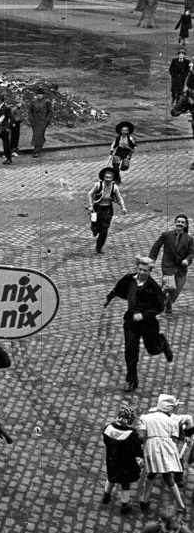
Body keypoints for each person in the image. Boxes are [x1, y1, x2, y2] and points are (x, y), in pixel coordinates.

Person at [103, 256, 173, 393]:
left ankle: (162, 343)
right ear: (137, 268)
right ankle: (131, 380)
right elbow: (117, 289)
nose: (141, 272)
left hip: (148, 324)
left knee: (152, 349)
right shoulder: (129, 279)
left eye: (145, 270)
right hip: (131, 323)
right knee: (130, 351)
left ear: (150, 271)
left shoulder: (153, 287)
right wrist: (108, 299)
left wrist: (144, 315)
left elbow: (160, 307)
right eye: (140, 269)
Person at [137, 394, 193, 513]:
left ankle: (144, 500)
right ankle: (181, 505)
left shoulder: (146, 417)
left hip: (150, 447)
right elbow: (174, 439)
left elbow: (141, 436)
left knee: (151, 473)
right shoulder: (172, 420)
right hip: (165, 448)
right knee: (168, 477)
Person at [101, 404, 143, 515]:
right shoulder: (131, 434)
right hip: (126, 462)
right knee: (125, 482)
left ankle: (106, 496)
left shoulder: (108, 428)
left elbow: (106, 442)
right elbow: (136, 449)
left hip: (112, 459)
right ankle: (125, 505)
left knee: (111, 477)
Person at [148, 214, 193, 314]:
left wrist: (187, 260)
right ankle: (161, 298)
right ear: (175, 223)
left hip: (181, 269)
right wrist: (151, 260)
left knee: (176, 291)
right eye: (178, 222)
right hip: (168, 266)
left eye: (182, 222)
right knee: (170, 287)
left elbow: (191, 253)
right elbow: (156, 247)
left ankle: (168, 303)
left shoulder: (189, 239)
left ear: (185, 225)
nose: (180, 224)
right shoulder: (166, 235)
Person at [87, 165, 127, 254]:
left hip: (108, 209)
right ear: (103, 177)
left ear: (113, 178)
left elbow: (119, 198)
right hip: (96, 208)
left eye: (110, 177)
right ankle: (94, 229)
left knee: (104, 228)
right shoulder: (98, 185)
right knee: (95, 225)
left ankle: (99, 247)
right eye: (106, 177)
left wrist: (123, 207)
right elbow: (90, 194)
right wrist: (90, 205)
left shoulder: (114, 187)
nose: (108, 179)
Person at [28, 87, 52, 158]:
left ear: (43, 95)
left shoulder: (47, 102)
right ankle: (41, 143)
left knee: (39, 134)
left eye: (41, 94)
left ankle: (36, 151)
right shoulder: (33, 101)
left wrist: (47, 120)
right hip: (35, 121)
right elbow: (30, 111)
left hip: (43, 121)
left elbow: (50, 112)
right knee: (36, 134)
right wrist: (31, 118)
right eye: (38, 94)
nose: (39, 96)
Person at [0, 95, 15, 164]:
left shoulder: (6, 108)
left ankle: (8, 158)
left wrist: (8, 127)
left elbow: (13, 119)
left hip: (4, 129)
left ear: (0, 100)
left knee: (6, 144)